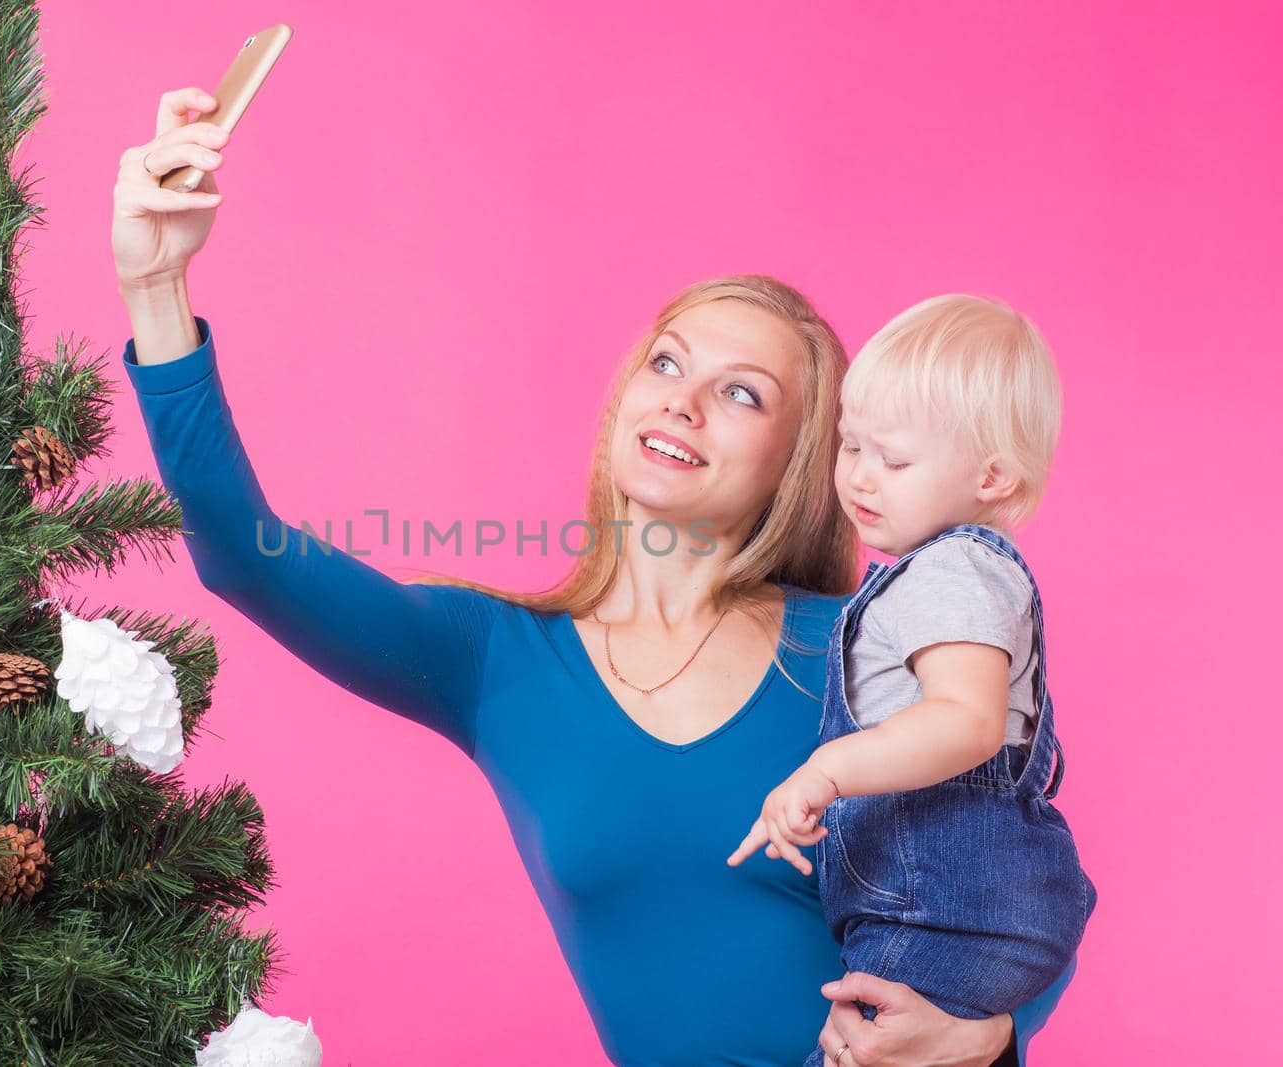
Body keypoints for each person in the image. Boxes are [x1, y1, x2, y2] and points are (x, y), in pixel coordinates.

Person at [109, 86, 1076, 1066]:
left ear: (799, 459)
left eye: (741, 392)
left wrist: (991, 1029)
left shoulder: (857, 647)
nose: (684, 402)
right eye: (667, 362)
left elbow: (1017, 863)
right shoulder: (489, 657)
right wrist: (155, 287)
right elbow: (240, 550)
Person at [725, 296, 1096, 1066]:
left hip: (941, 914)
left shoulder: (950, 570)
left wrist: (827, 771)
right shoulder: (942, 577)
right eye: (851, 445)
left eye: (894, 460)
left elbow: (967, 721)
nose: (860, 476)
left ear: (992, 475)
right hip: (965, 912)